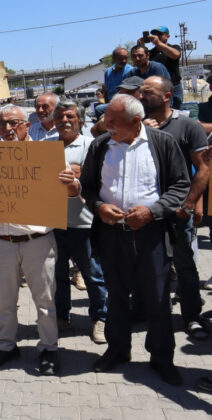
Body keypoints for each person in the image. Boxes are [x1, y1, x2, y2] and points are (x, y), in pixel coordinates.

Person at [81, 94, 190, 385]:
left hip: (151, 235)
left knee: (157, 299)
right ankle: (118, 351)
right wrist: (100, 207)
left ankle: (161, 358)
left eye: (114, 121)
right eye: (107, 119)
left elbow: (181, 185)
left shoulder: (162, 143)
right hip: (111, 235)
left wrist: (153, 211)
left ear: (136, 121)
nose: (107, 125)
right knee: (116, 297)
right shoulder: (101, 145)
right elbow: (88, 188)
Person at [0, 105, 80, 375]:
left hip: (38, 241)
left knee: (44, 300)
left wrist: (71, 183)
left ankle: (48, 348)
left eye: (13, 123)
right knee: (5, 300)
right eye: (3, 125)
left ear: (25, 125)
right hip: (1, 240)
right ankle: (6, 345)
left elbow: (72, 192)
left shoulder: (48, 154)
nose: (8, 129)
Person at [140, 76, 210, 340]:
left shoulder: (188, 126)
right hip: (147, 210)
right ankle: (147, 310)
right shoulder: (138, 126)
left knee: (184, 265)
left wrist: (190, 203)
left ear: (167, 96)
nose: (142, 96)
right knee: (147, 264)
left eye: (148, 92)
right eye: (141, 92)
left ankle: (192, 316)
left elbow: (203, 168)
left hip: (178, 210)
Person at [50, 101, 108, 344]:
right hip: (52, 222)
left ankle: (100, 318)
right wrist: (72, 171)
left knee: (93, 275)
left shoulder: (91, 146)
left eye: (70, 117)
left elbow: (89, 177)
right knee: (58, 276)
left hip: (84, 223)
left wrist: (76, 172)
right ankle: (62, 316)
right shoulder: (46, 147)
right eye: (60, 117)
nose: (65, 121)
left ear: (81, 121)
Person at [139, 26, 183, 109]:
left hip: (174, 86)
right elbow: (141, 64)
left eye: (159, 34)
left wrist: (158, 43)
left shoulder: (174, 47)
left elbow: (175, 55)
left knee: (176, 110)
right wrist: (141, 47)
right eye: (154, 34)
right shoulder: (150, 53)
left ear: (167, 36)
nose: (156, 36)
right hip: (157, 88)